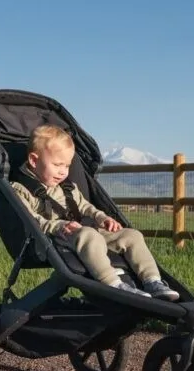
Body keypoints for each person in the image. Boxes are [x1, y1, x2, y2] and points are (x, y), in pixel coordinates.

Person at [11, 124, 181, 301]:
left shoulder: (67, 187)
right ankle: (113, 283)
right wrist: (58, 225)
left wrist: (102, 217)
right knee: (89, 235)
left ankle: (152, 281)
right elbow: (30, 219)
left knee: (132, 236)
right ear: (33, 160)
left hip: (86, 232)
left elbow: (85, 206)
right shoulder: (21, 189)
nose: (63, 171)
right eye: (57, 165)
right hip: (56, 237)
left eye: (67, 166)